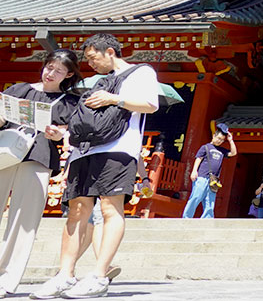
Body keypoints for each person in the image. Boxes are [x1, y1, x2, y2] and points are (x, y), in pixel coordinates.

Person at [32, 33, 160, 300]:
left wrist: (114, 99)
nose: (91, 64)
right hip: (83, 149)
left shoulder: (141, 73)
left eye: (93, 57)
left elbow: (150, 104)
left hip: (117, 148)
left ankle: (100, 275)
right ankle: (65, 275)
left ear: (110, 51)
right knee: (77, 209)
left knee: (109, 207)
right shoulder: (96, 82)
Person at [0, 50, 80, 297]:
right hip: (6, 149)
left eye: (58, 69)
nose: (50, 72)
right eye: (49, 66)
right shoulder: (20, 89)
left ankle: (6, 279)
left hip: (39, 155)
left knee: (24, 221)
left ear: (68, 74)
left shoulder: (70, 102)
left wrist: (60, 134)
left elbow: (72, 133)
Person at [182, 124, 237, 219]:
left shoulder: (222, 150)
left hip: (213, 180)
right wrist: (194, 171)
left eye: (222, 140)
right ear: (214, 136)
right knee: (196, 197)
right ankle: (186, 217)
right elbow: (198, 159)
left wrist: (230, 140)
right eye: (219, 138)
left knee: (210, 201)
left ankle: (207, 219)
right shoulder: (206, 147)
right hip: (202, 176)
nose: (220, 141)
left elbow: (233, 153)